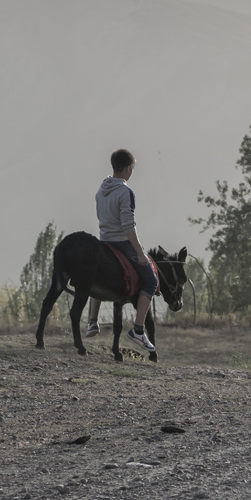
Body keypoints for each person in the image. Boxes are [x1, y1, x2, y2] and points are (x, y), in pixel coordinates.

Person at [84, 148, 156, 352]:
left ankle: (92, 321)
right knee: (151, 280)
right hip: (121, 243)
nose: (131, 172)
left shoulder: (101, 189)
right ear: (127, 169)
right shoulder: (125, 192)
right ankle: (139, 330)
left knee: (98, 277)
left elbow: (101, 216)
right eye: (132, 168)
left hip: (103, 240)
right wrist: (140, 253)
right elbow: (128, 226)